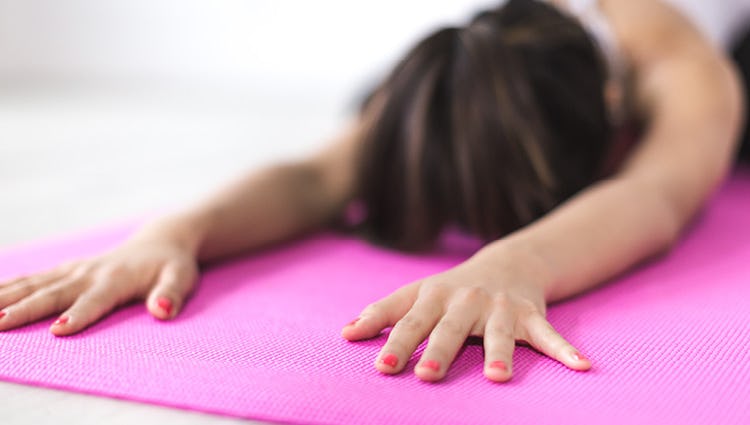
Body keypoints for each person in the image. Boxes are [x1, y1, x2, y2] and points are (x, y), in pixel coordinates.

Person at [0, 0, 747, 383]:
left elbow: (657, 194)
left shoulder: (682, 69)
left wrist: (512, 264)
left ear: (615, 125)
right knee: (388, 120)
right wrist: (174, 232)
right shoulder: (473, 66)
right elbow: (319, 175)